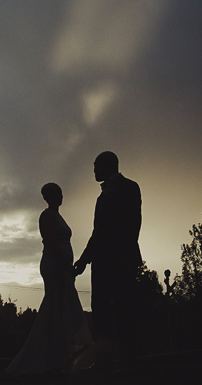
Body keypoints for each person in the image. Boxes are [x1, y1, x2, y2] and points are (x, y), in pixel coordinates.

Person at [5, 183, 92, 376]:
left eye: (61, 192)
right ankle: (46, 357)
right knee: (55, 306)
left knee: (62, 307)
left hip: (63, 268)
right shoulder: (46, 216)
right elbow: (51, 241)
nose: (61, 196)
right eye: (57, 193)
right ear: (49, 197)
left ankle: (59, 356)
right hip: (55, 266)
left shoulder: (58, 215)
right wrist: (65, 264)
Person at [74, 151, 142, 371]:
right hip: (101, 263)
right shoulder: (101, 197)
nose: (93, 170)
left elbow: (133, 223)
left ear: (108, 165)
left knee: (125, 309)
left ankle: (129, 360)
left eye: (96, 166)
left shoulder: (130, 187)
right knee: (100, 310)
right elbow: (97, 232)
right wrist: (84, 260)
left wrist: (125, 255)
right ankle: (103, 360)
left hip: (121, 261)